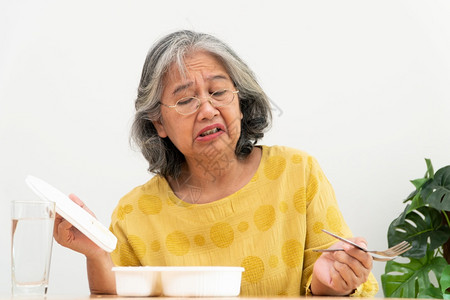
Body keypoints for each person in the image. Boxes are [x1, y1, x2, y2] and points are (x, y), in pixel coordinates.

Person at [54, 30, 379, 296]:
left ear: (240, 102)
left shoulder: (298, 173)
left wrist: (330, 285)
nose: (207, 109)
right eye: (185, 100)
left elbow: (342, 285)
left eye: (218, 92)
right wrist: (96, 254)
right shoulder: (135, 214)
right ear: (159, 124)